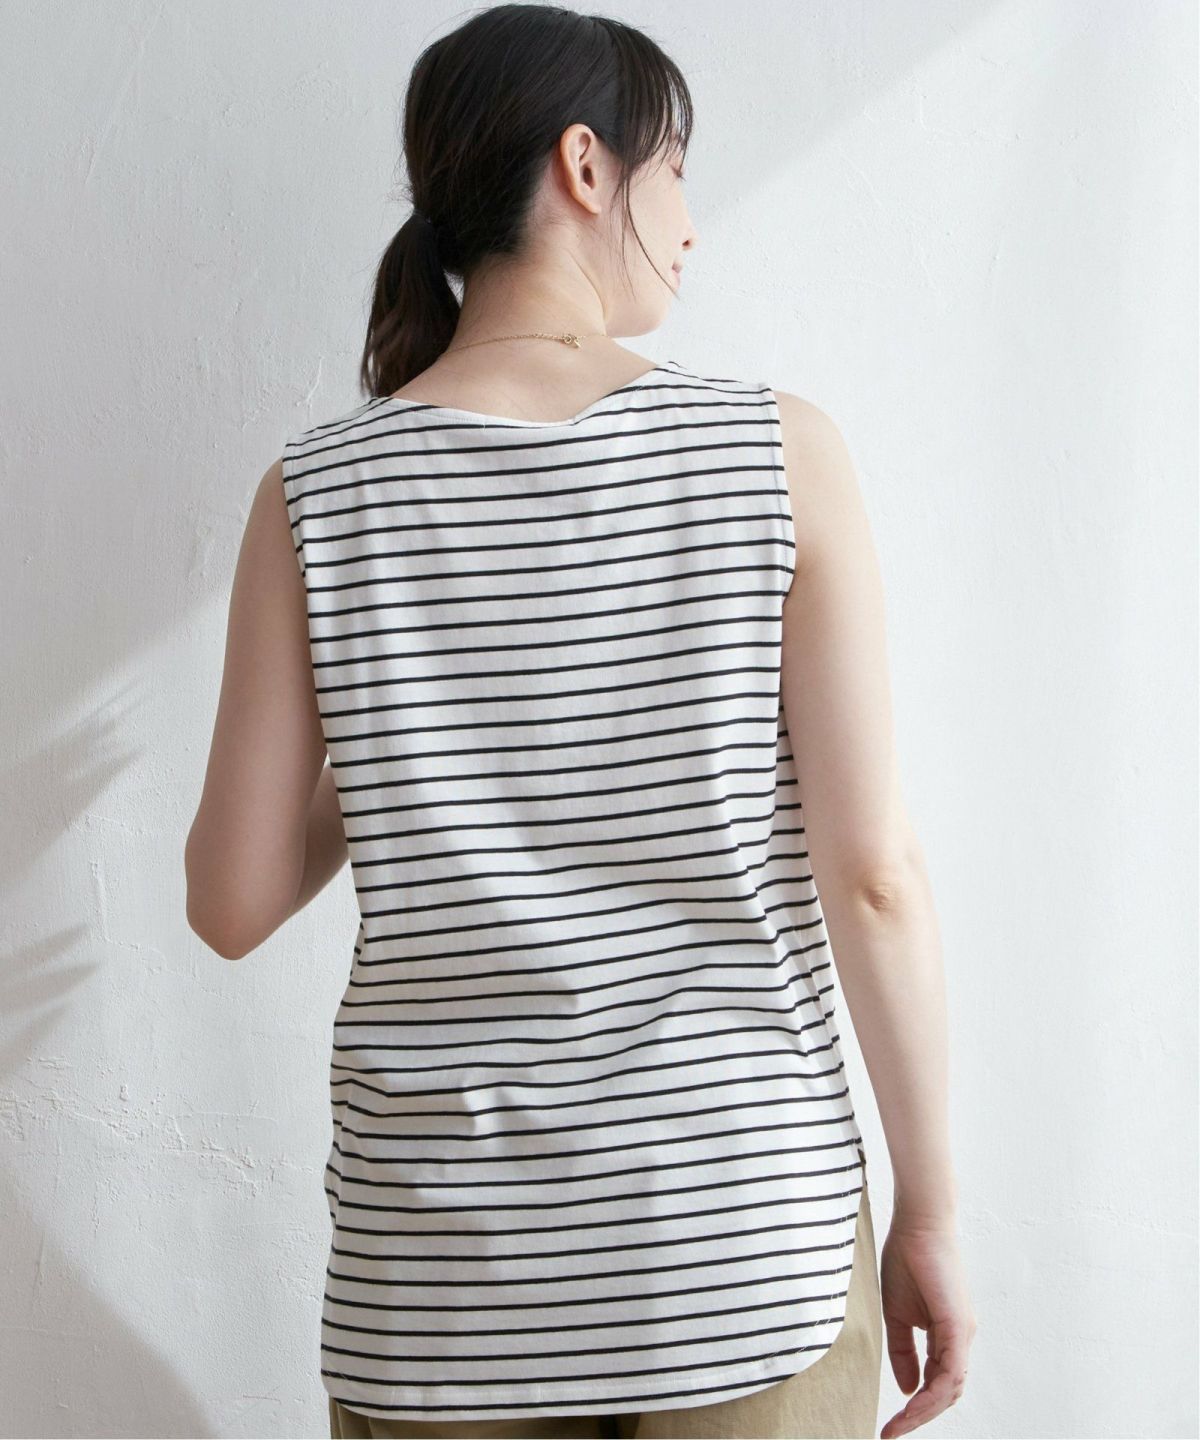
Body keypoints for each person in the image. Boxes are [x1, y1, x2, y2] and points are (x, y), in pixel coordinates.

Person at [184, 6, 976, 1438]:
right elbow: (873, 878)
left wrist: (408, 745)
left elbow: (230, 904)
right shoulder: (774, 454)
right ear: (587, 166)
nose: (692, 223)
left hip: (439, 1295)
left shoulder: (316, 495)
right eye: (676, 171)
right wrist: (930, 1205)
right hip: (737, 1252)